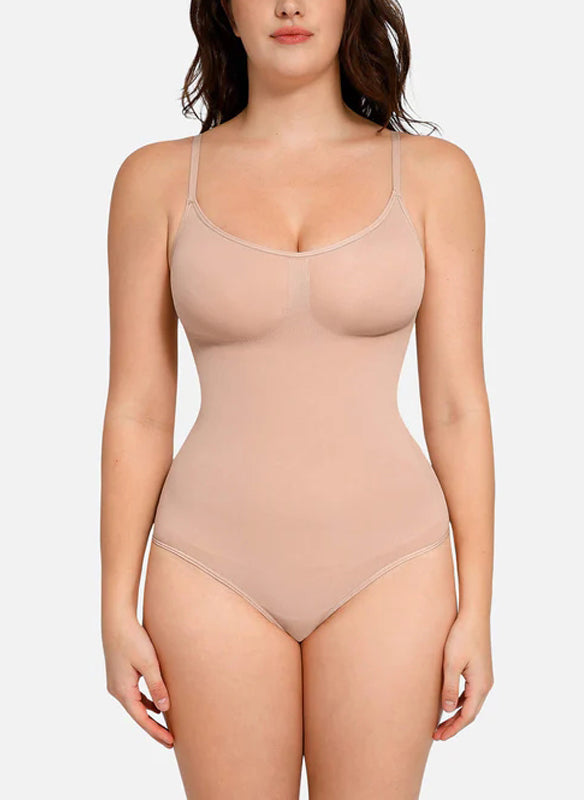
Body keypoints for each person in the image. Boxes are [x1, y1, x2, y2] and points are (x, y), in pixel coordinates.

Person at [100, 1, 495, 797]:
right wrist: (114, 606)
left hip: (393, 566)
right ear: (224, 10)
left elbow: (457, 405)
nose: (289, 4)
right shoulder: (154, 180)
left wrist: (478, 610)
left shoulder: (435, 176)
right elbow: (138, 408)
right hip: (209, 570)